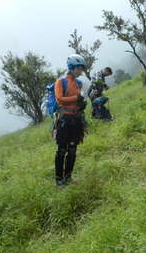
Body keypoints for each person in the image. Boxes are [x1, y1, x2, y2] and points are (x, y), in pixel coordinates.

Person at [54, 54, 87, 189]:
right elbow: (60, 99)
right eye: (79, 68)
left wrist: (81, 103)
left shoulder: (79, 83)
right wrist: (76, 97)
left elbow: (79, 99)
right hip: (64, 120)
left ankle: (68, 176)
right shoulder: (61, 81)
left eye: (81, 69)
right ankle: (59, 179)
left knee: (72, 150)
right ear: (72, 68)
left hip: (76, 119)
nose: (81, 71)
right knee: (62, 150)